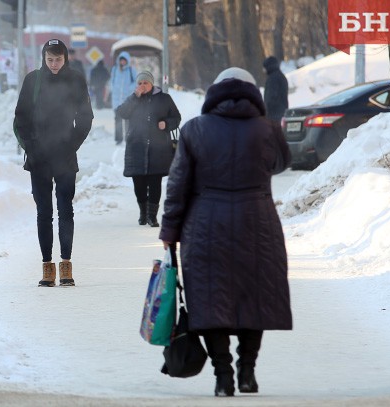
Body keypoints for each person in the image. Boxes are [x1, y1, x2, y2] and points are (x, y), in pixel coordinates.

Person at [158, 67, 292, 397]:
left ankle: (223, 376)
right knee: (253, 299)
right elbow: (283, 162)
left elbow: (177, 186)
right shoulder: (267, 129)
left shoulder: (194, 130)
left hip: (205, 225)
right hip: (257, 222)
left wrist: (169, 230)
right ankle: (247, 371)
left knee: (209, 300)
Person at [14, 39, 94, 287]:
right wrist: (31, 147)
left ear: (65, 58)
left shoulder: (76, 79)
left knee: (65, 209)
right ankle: (47, 266)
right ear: (43, 58)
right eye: (50, 60)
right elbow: (20, 118)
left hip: (65, 154)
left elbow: (85, 116)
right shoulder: (33, 80)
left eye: (58, 59)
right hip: (39, 156)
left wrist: (72, 145)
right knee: (43, 212)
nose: (54, 64)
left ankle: (66, 265)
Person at [115, 71, 181, 227]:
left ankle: (152, 216)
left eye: (145, 83)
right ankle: (143, 213)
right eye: (139, 83)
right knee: (139, 184)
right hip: (136, 147)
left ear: (152, 84)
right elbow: (121, 112)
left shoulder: (164, 99)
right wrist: (134, 98)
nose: (142, 86)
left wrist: (166, 124)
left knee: (155, 182)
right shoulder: (133, 99)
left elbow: (176, 118)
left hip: (158, 148)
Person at [110, 51, 137, 144]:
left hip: (127, 100)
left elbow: (136, 82)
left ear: (127, 61)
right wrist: (113, 88)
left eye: (124, 60)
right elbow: (111, 81)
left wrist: (130, 89)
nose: (122, 62)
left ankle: (128, 138)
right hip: (116, 100)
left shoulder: (131, 70)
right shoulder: (115, 69)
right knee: (117, 120)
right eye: (121, 60)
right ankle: (118, 139)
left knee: (127, 121)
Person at [262, 56, 289, 123]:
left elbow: (270, 96)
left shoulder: (272, 79)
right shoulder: (281, 76)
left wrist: (266, 110)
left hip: (273, 114)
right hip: (282, 111)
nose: (263, 70)